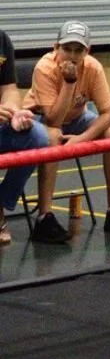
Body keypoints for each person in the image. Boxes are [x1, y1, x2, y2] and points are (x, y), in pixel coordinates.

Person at [27, 22, 110, 242]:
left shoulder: (93, 68)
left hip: (77, 119)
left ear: (87, 51)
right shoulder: (44, 68)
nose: (72, 56)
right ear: (56, 48)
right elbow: (53, 119)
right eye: (67, 49)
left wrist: (82, 139)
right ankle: (44, 218)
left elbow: (108, 113)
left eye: (79, 50)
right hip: (40, 119)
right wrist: (69, 82)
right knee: (53, 137)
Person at [0, 29, 49, 246]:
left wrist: (13, 111)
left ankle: (0, 203)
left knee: (37, 137)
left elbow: (9, 89)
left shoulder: (1, 40)